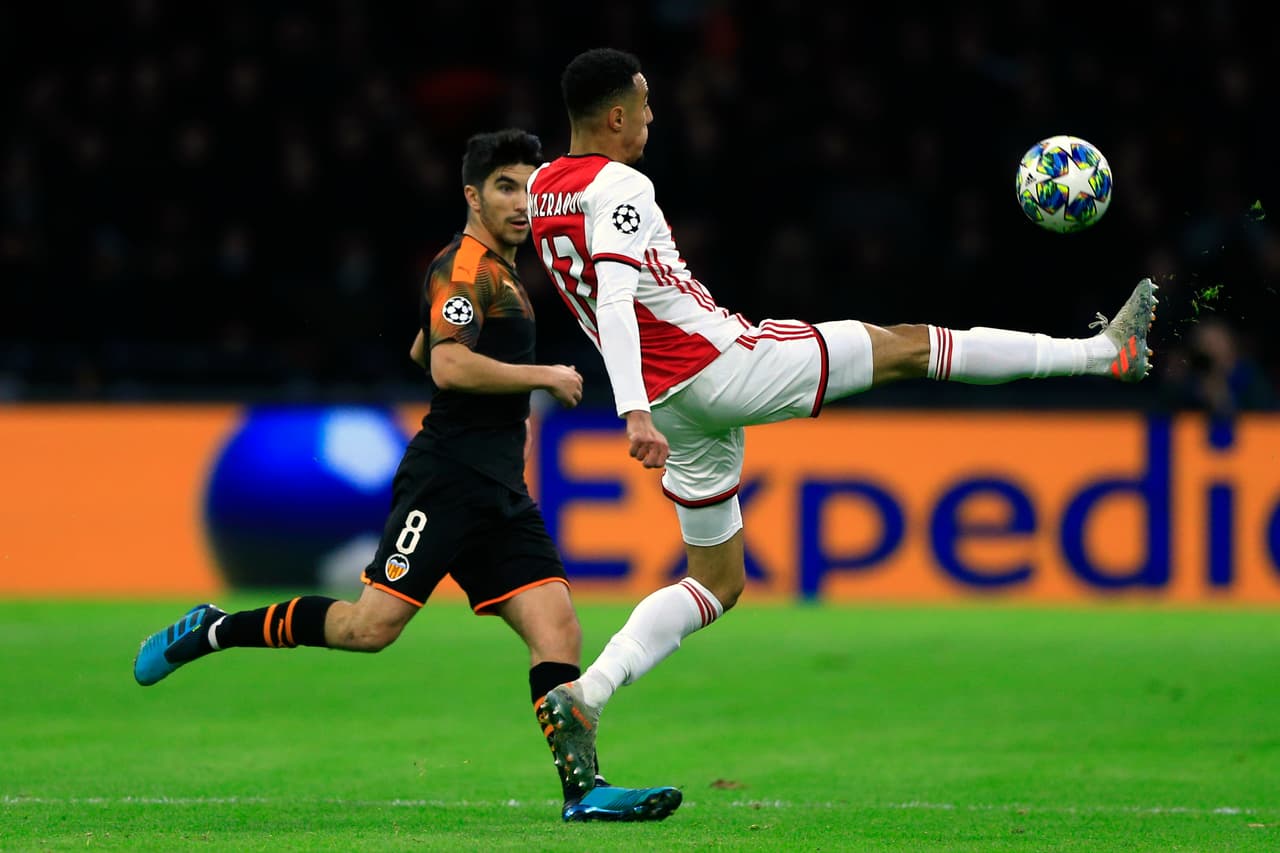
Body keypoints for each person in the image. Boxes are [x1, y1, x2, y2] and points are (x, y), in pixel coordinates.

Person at [526, 47, 1160, 796]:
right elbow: (617, 299)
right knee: (909, 346)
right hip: (717, 366)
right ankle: (1100, 355)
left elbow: (598, 296)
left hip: (676, 406)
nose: (655, 116)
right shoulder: (622, 182)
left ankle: (586, 694)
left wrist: (641, 403)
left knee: (717, 579)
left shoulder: (541, 190)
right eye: (645, 101)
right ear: (617, 115)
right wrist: (630, 408)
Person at [132, 128, 681, 824]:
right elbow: (448, 365)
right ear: (472, 196)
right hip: (446, 481)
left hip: (500, 491)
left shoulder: (504, 273)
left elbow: (426, 347)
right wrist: (541, 375)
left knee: (559, 628)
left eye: (531, 188)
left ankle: (584, 791)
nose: (521, 202)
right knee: (371, 627)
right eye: (506, 187)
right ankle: (213, 628)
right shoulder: (465, 266)